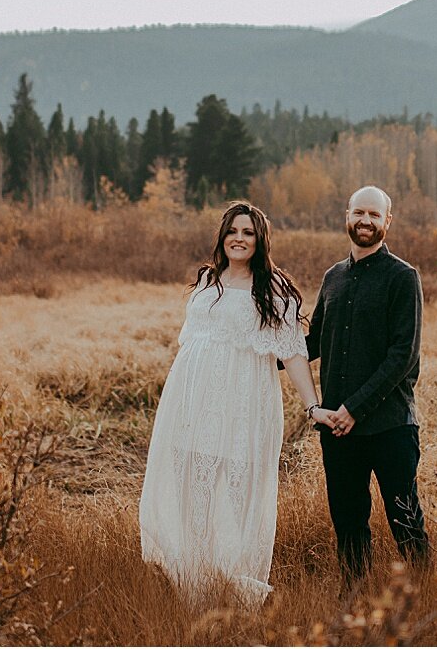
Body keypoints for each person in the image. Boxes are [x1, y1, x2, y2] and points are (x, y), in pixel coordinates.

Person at [138, 201, 330, 604]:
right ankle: (191, 578)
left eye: (248, 233)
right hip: (192, 405)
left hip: (244, 407)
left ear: (260, 241)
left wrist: (313, 405)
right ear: (222, 236)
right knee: (192, 485)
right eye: (233, 231)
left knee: (236, 489)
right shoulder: (208, 281)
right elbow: (192, 344)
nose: (239, 239)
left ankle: (230, 579)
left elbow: (293, 353)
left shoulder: (274, 290)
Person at [307, 185, 430, 590]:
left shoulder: (403, 277)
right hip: (339, 432)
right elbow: (310, 343)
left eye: (374, 215)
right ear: (347, 215)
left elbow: (402, 356)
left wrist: (354, 408)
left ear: (387, 222)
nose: (365, 221)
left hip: (390, 427)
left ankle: (426, 601)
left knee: (405, 522)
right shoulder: (333, 277)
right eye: (359, 212)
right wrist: (253, 346)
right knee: (348, 523)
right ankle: (355, 602)